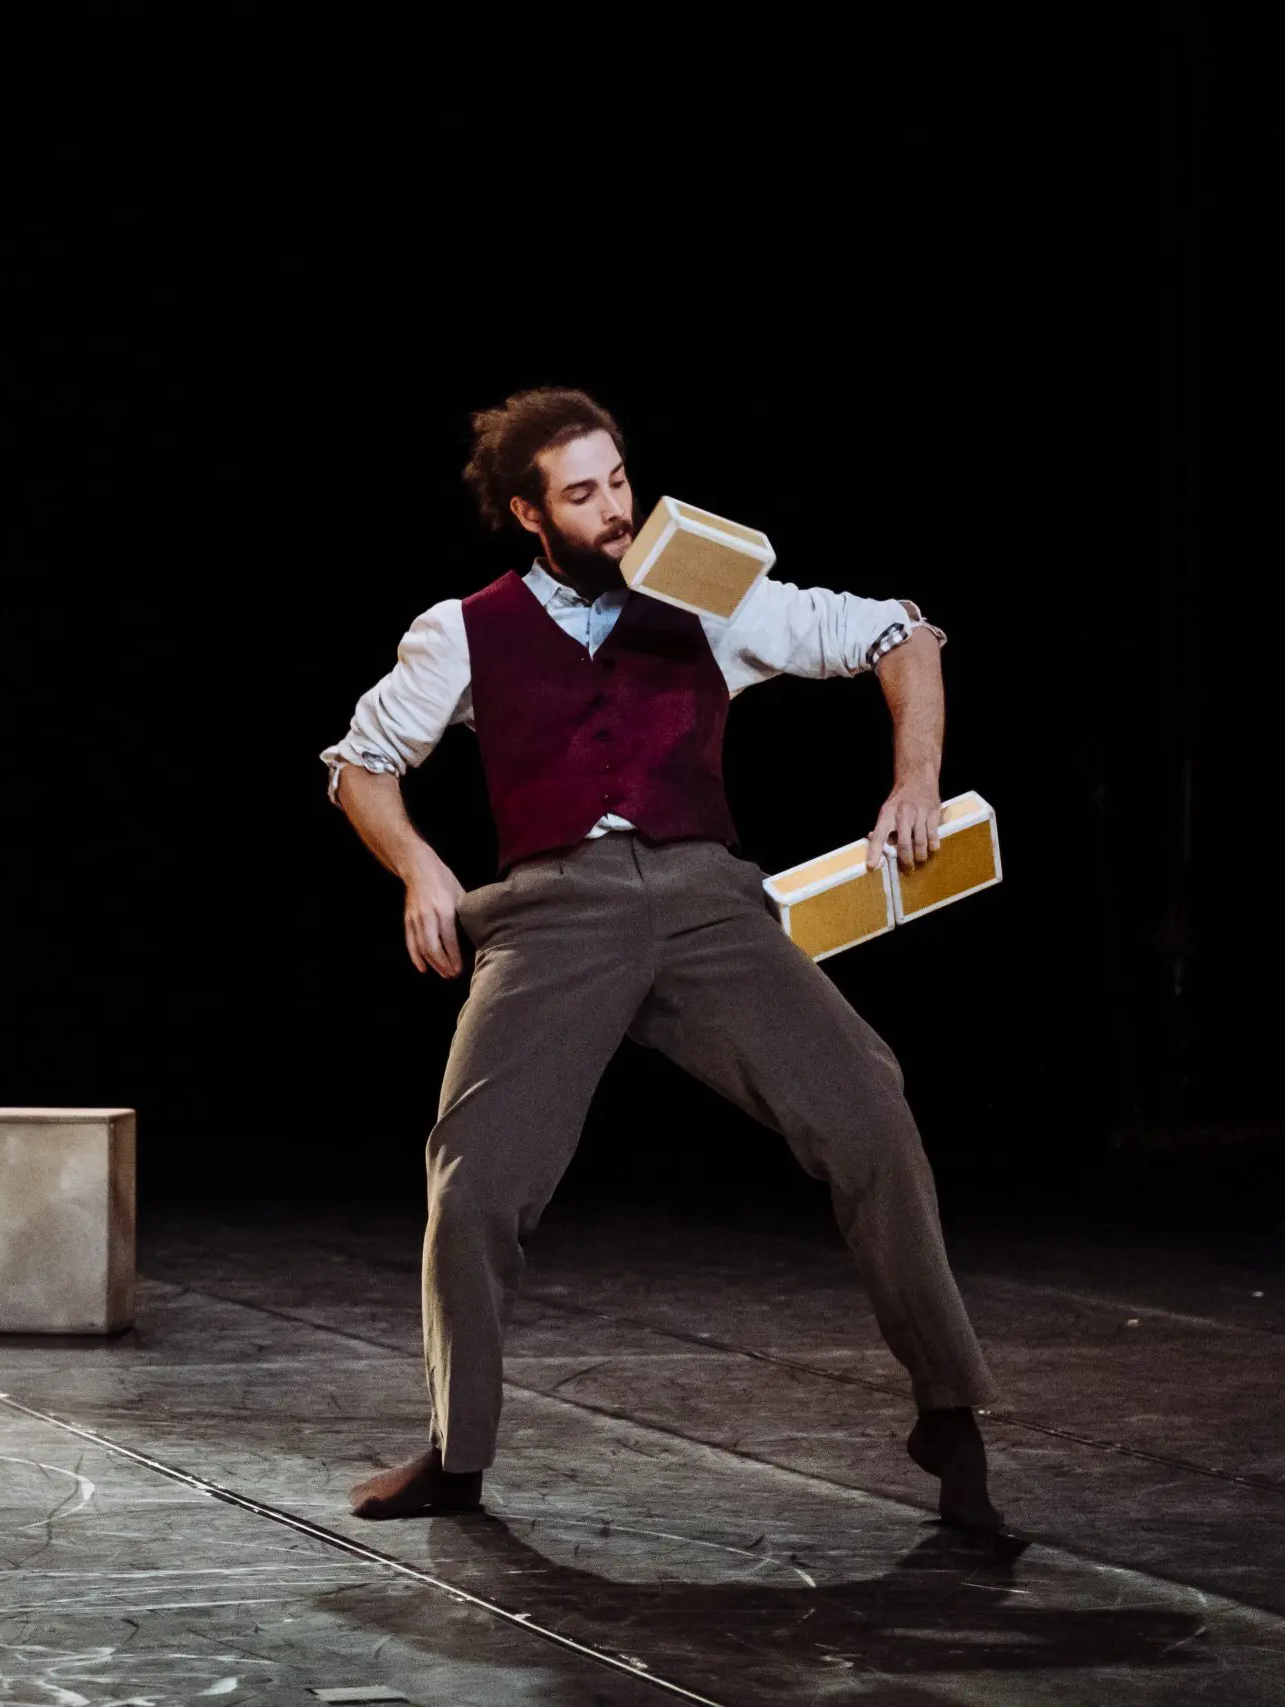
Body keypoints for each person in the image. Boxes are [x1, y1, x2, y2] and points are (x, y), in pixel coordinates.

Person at [320, 387, 1011, 1538]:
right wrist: (420, 870)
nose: (614, 510)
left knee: (868, 1111)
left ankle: (950, 1412)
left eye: (619, 482)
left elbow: (901, 632)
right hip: (551, 914)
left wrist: (916, 777)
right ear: (527, 514)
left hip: (706, 900)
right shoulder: (463, 631)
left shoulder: (707, 593)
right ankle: (457, 1450)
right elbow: (357, 762)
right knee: (475, 1177)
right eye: (582, 494)